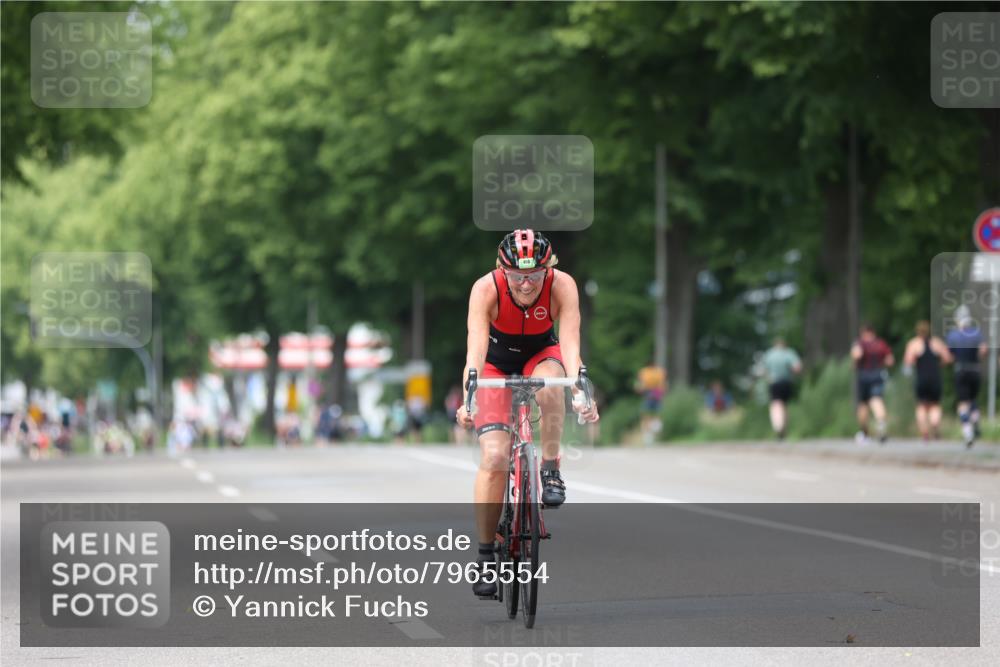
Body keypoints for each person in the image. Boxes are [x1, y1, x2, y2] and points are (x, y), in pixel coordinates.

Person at [455, 229, 599, 598]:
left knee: (552, 386)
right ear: (502, 271)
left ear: (548, 268)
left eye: (534, 275)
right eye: (517, 276)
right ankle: (486, 556)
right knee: (494, 456)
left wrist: (581, 389)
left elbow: (569, 343)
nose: (525, 284)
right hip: (494, 367)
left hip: (541, 357)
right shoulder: (485, 289)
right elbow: (475, 347)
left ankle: (550, 469)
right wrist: (468, 398)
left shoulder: (562, 285)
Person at [903, 321, 952, 441]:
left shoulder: (914, 344)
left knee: (921, 406)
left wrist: (917, 363)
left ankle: (924, 431)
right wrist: (938, 364)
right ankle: (934, 424)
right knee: (935, 404)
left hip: (922, 378)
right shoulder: (937, 343)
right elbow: (948, 358)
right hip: (935, 378)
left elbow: (908, 361)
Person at [946, 306, 988, 448]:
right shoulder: (976, 333)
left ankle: (968, 433)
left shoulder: (952, 335)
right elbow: (983, 350)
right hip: (975, 370)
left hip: (961, 370)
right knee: (973, 400)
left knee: (963, 403)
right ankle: (975, 419)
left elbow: (949, 356)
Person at [851, 324, 894, 444]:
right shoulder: (881, 344)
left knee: (863, 405)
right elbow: (890, 361)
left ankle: (864, 432)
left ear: (863, 333)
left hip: (864, 376)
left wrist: (855, 363)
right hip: (878, 375)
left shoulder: (860, 343)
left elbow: (856, 355)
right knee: (877, 400)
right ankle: (880, 423)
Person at [760, 338, 802, 440]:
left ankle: (778, 427)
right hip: (787, 382)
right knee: (784, 405)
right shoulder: (789, 353)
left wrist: (768, 377)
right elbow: (797, 368)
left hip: (774, 383)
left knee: (776, 405)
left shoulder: (769, 354)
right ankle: (784, 428)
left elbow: (763, 370)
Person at [634, 361, 667, 444]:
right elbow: (663, 385)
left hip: (650, 394)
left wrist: (639, 388)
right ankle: (652, 432)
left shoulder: (645, 372)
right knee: (654, 414)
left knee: (647, 415)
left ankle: (650, 435)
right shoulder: (659, 372)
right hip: (655, 394)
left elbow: (640, 386)